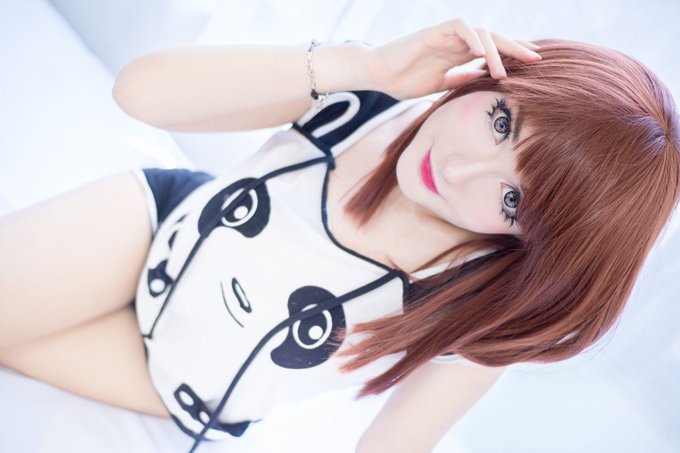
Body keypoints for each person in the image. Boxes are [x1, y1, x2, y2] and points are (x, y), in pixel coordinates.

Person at [1, 17, 678, 452]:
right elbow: (137, 93)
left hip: (181, 380)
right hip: (155, 231)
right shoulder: (371, 97)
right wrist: (366, 68)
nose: (458, 169)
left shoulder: (475, 304)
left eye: (511, 199)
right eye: (501, 123)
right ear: (501, 74)